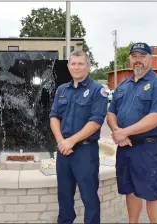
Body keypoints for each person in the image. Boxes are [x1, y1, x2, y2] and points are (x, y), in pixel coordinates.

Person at [107, 42, 157, 223]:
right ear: (129, 59)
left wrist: (123, 132)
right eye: (134, 57)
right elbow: (111, 112)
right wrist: (117, 131)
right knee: (131, 191)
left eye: (142, 56)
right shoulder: (122, 86)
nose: (138, 61)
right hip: (125, 147)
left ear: (150, 59)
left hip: (148, 149)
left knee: (152, 194)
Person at [50, 50, 108, 224]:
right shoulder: (62, 90)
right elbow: (54, 116)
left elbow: (96, 121)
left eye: (80, 63)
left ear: (88, 66)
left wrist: (71, 141)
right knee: (64, 196)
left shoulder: (98, 90)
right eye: (73, 63)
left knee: (89, 197)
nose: (76, 67)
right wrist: (61, 141)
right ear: (68, 66)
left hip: (85, 151)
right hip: (64, 151)